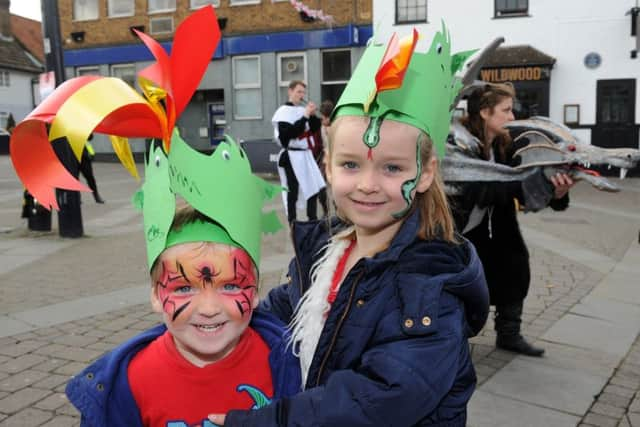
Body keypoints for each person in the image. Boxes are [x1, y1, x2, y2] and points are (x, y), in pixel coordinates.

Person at [209, 26, 489, 426]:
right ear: (327, 166)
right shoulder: (328, 247)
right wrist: (222, 316)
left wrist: (264, 421)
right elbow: (288, 305)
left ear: (425, 174)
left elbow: (376, 401)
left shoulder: (430, 286)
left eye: (393, 168)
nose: (367, 185)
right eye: (350, 164)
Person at [64, 134, 300, 426]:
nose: (209, 307)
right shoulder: (129, 383)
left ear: (254, 293)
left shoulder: (286, 364)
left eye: (230, 285)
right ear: (155, 295)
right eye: (184, 287)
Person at [451, 82, 575, 357]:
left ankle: (509, 334)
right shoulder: (460, 143)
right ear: (485, 112)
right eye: (505, 110)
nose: (511, 117)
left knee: (516, 267)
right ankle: (452, 337)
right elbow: (477, 188)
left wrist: (556, 190)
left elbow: (527, 184)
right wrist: (521, 184)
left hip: (499, 225)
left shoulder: (508, 146)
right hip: (461, 228)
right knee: (462, 281)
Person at [272, 80, 326, 223]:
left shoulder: (303, 111)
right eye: (298, 92)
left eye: (303, 92)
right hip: (291, 155)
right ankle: (292, 220)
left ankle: (312, 218)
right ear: (290, 91)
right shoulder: (282, 113)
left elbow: (314, 129)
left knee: (313, 186)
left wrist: (313, 115)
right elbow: (288, 135)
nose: (301, 95)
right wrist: (305, 116)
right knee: (293, 189)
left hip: (305, 155)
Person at [79, 134, 105, 204]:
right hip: (71, 156)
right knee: (74, 178)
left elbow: (90, 138)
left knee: (90, 177)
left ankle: (96, 196)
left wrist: (88, 132)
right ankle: (77, 197)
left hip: (84, 156)